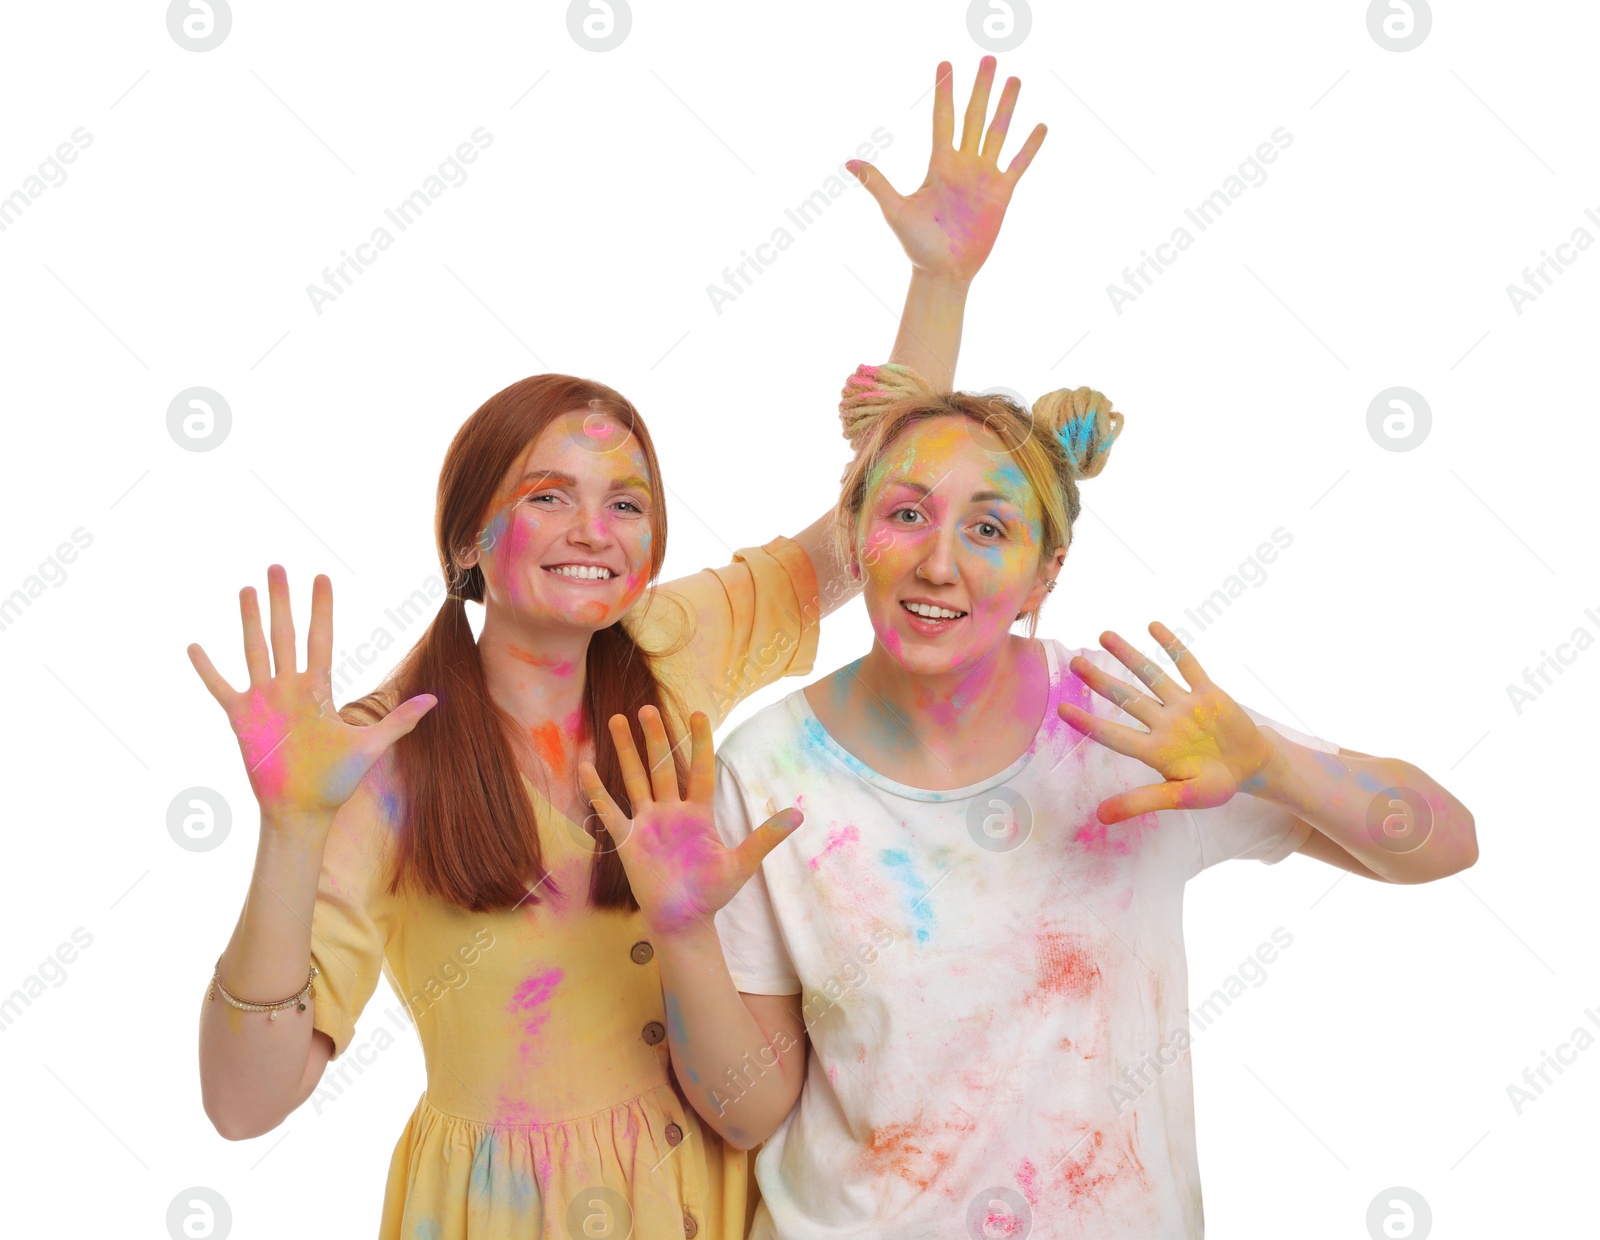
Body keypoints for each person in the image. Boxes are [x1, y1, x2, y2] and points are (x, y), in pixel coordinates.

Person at [191, 58, 1047, 1239]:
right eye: (549, 494)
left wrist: (938, 279)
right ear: (471, 538)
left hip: (719, 1190)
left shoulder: (673, 642)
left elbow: (865, 536)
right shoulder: (373, 760)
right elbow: (244, 1105)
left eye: (628, 500)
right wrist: (288, 837)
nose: (595, 529)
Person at [579, 366, 1479, 1238]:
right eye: (906, 515)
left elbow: (1444, 842)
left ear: (1045, 573)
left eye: (988, 528)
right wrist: (685, 931)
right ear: (857, 537)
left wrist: (1272, 765)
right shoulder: (765, 768)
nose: (938, 563)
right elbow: (747, 1112)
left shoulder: (1126, 721)